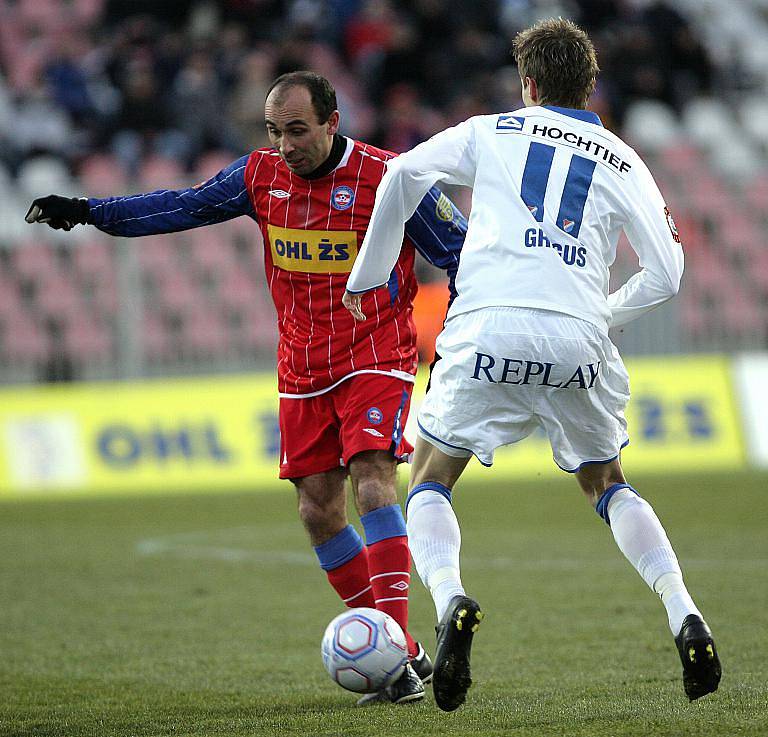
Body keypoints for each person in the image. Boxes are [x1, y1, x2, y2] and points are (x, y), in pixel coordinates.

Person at [25, 70, 467, 705]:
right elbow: (181, 205)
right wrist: (93, 212)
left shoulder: (391, 178)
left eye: (297, 130)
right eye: (274, 131)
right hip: (303, 367)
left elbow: (461, 252)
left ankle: (391, 642)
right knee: (318, 508)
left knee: (373, 477)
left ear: (332, 122)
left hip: (376, 353)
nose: (285, 145)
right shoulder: (261, 177)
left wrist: (457, 334)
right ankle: (410, 658)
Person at [344, 18, 721, 711]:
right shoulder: (622, 157)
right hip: (578, 337)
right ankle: (684, 611)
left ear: (529, 84)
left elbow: (401, 172)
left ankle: (451, 598)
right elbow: (667, 274)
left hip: (489, 324)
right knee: (606, 481)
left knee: (429, 475)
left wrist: (367, 278)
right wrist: (598, 317)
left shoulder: (492, 130)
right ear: (591, 85)